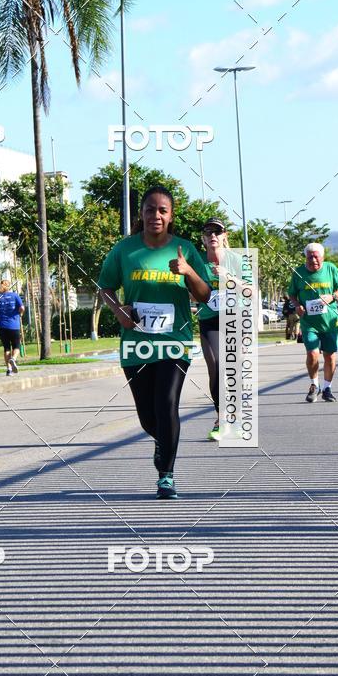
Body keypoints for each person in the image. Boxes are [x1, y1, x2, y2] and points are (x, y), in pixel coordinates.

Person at [98, 185, 211, 499]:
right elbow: (105, 287)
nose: (156, 215)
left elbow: (205, 295)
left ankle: (166, 475)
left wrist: (188, 271)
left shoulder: (185, 249)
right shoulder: (124, 250)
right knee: (149, 416)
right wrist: (118, 310)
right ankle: (165, 442)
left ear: (171, 216)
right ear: (142, 213)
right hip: (136, 345)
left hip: (175, 341)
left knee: (167, 403)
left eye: (163, 210)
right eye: (150, 209)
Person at [288, 243, 338, 403]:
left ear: (322, 257)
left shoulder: (331, 269)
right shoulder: (298, 273)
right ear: (305, 257)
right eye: (310, 256)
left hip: (329, 321)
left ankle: (327, 388)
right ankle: (314, 385)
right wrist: (297, 305)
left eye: (316, 256)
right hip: (309, 322)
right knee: (312, 354)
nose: (313, 259)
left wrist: (332, 296)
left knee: (329, 355)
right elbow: (291, 294)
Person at [197, 217, 229, 442]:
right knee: (215, 366)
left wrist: (230, 279)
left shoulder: (237, 261)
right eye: (208, 233)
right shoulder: (197, 262)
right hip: (209, 321)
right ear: (203, 239)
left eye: (217, 232)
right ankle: (221, 418)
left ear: (224, 236)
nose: (213, 236)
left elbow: (250, 290)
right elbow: (186, 289)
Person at [0, 279, 25, 376]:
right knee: (16, 346)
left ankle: (8, 370)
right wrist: (20, 313)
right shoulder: (15, 296)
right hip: (13, 325)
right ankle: (14, 359)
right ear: (9, 286)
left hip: (1, 326)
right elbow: (22, 308)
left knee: (6, 348)